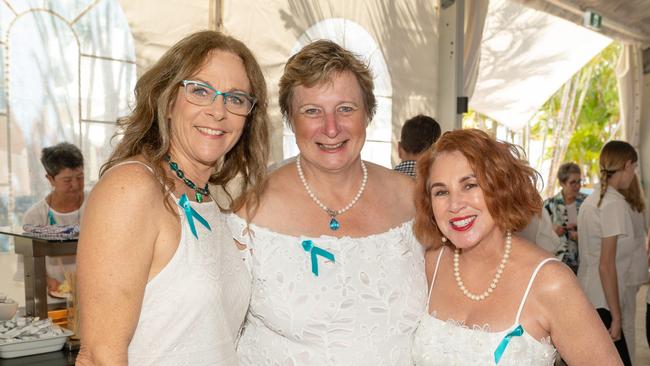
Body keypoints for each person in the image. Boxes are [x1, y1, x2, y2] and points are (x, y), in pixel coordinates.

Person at [226, 40, 428, 365]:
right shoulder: (251, 213)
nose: (331, 128)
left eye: (346, 109)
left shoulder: (414, 200)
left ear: (369, 114)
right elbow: (221, 333)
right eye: (312, 111)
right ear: (291, 120)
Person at [75, 30, 270, 366]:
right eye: (200, 91)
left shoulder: (209, 201)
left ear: (248, 118)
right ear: (167, 101)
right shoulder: (133, 187)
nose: (218, 110)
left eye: (236, 98)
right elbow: (99, 354)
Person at [411, 129, 621, 365]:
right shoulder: (431, 264)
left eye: (470, 185)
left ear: (501, 187)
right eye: (441, 192)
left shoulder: (550, 281)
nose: (455, 204)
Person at [577, 140, 647, 365]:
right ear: (627, 165)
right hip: (604, 302)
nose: (633, 174)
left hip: (589, 294)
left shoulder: (593, 199)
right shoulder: (614, 204)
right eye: (634, 168)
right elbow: (606, 265)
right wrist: (616, 317)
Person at [15, 142, 85, 295]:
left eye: (80, 177)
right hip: (54, 299)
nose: (75, 185)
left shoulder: (96, 204)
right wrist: (48, 281)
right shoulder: (35, 216)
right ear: (50, 179)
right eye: (67, 180)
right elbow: (27, 266)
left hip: (93, 294)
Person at [544, 162, 587, 273]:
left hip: (584, 263)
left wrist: (581, 236)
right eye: (572, 182)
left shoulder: (588, 203)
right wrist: (553, 231)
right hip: (558, 265)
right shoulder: (549, 205)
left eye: (579, 181)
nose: (577, 186)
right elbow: (541, 235)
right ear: (562, 183)